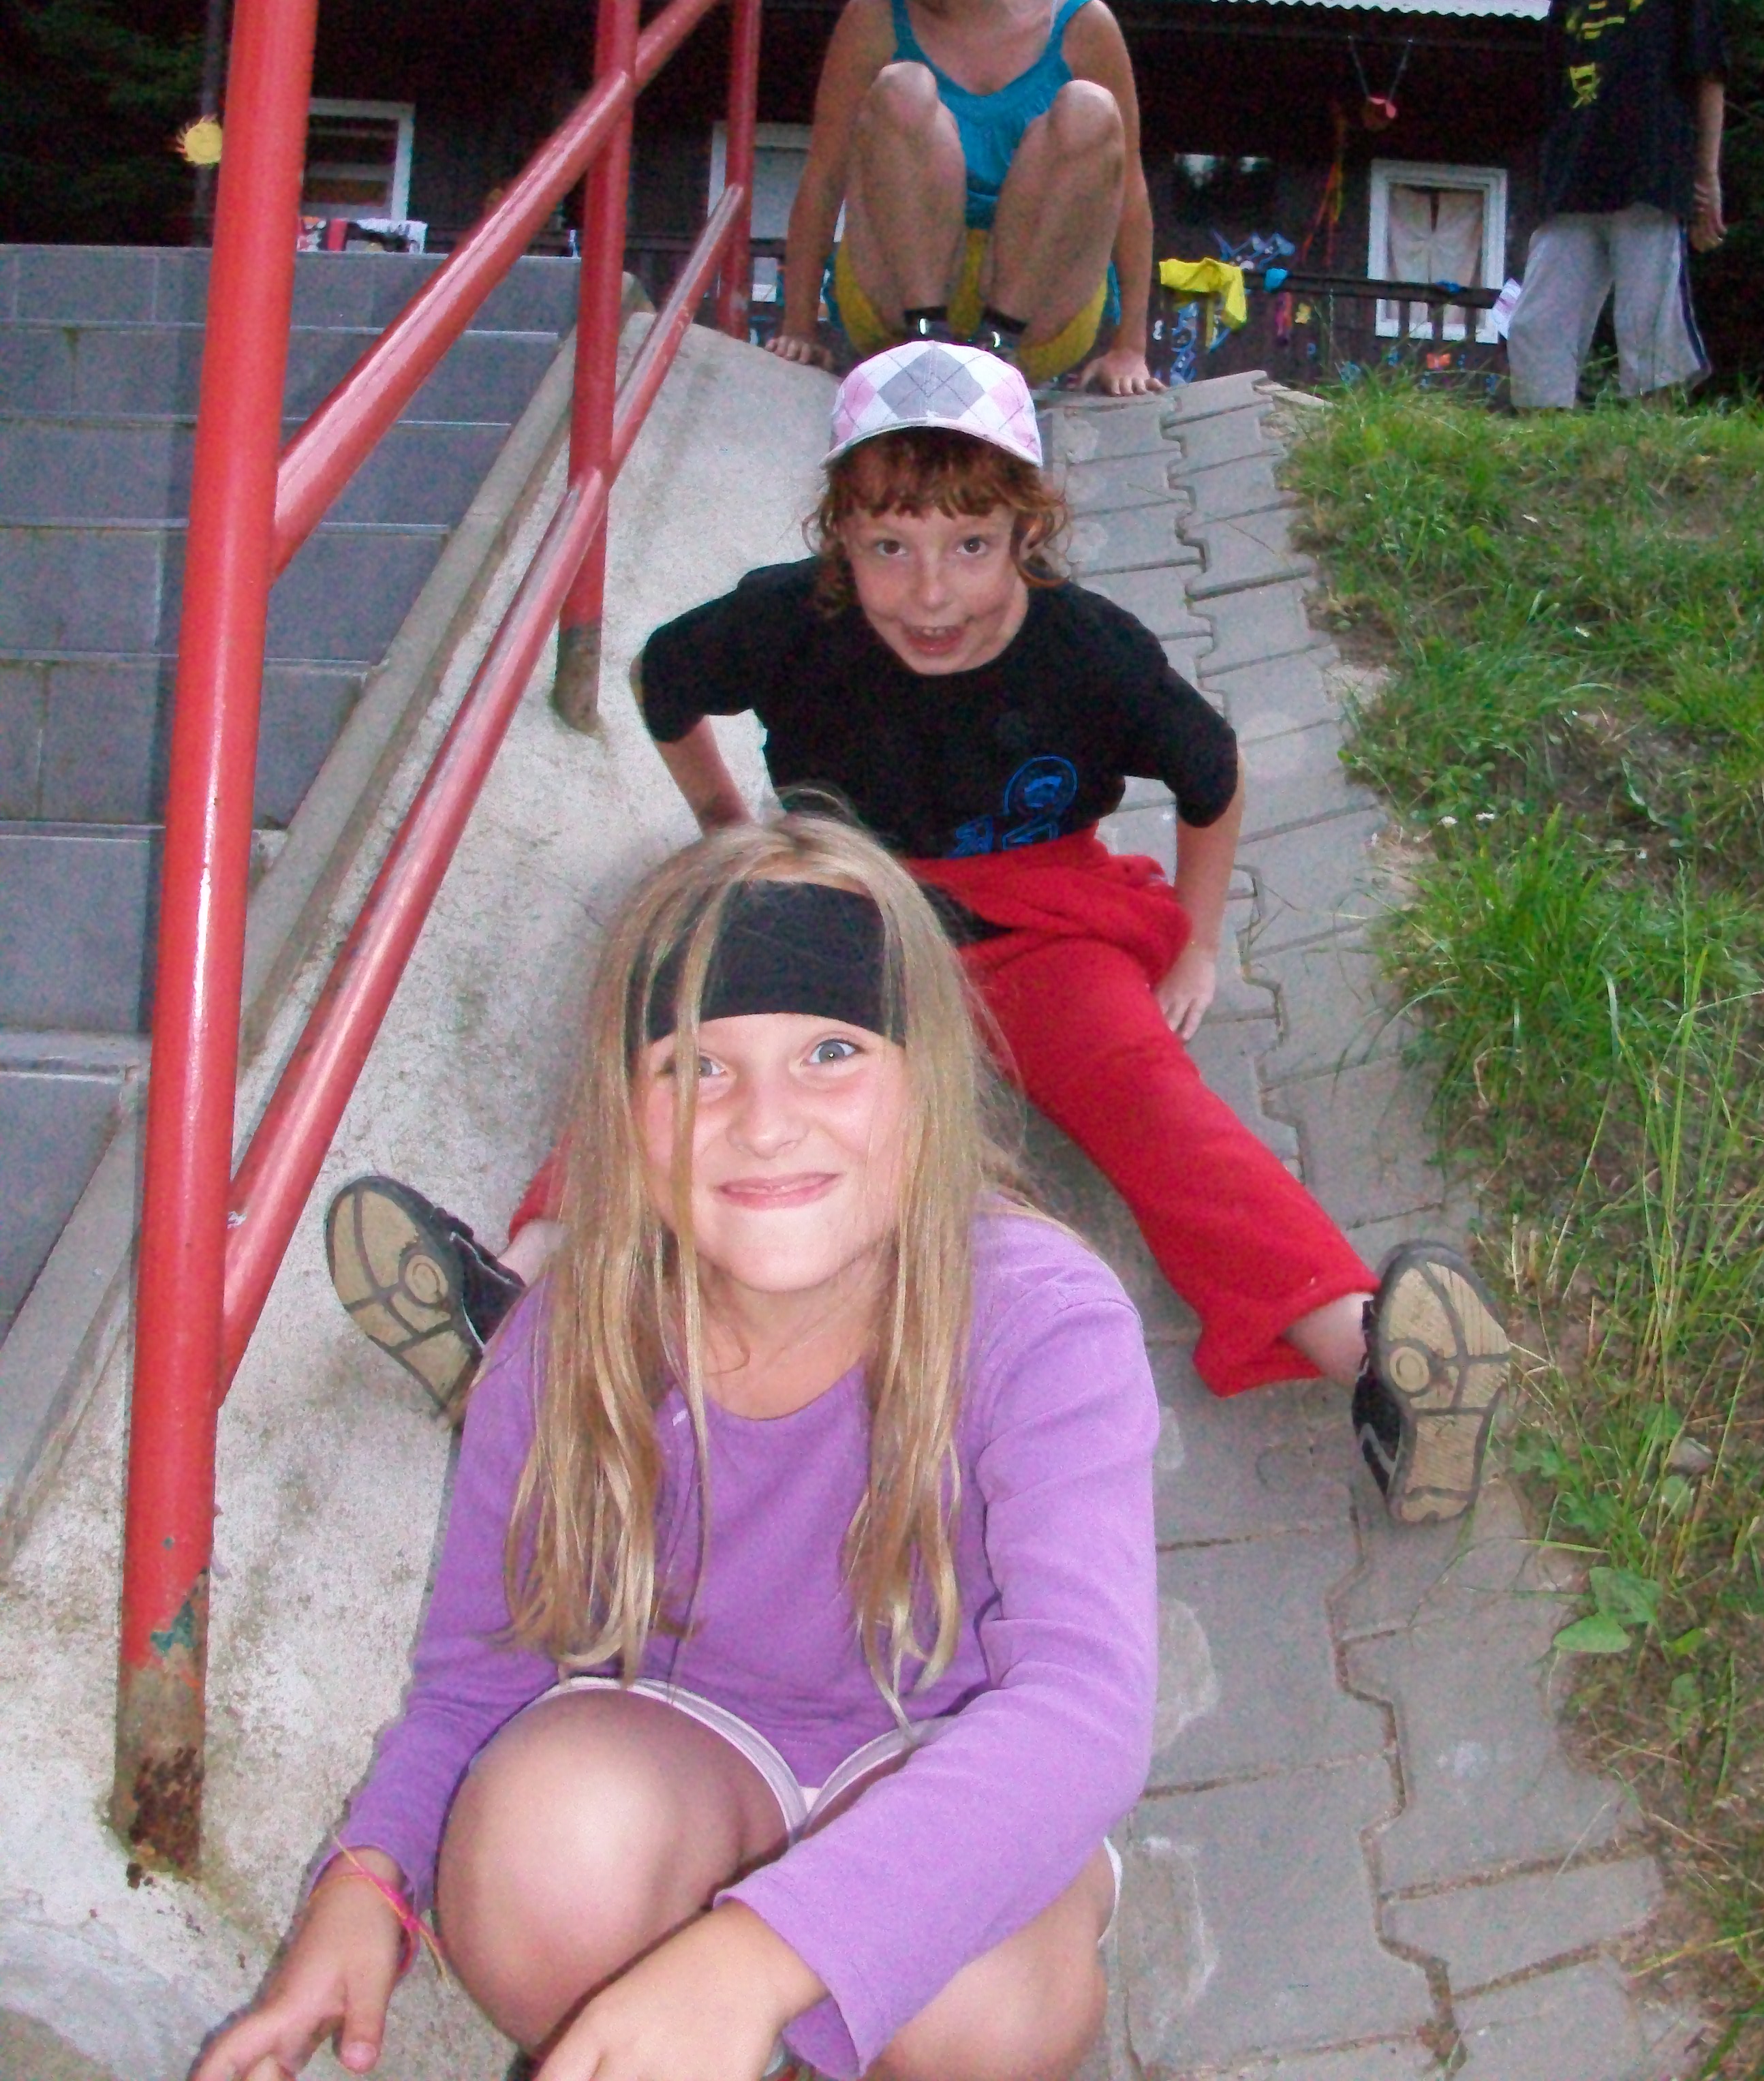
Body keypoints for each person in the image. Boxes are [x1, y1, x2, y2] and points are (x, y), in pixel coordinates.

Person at [330, 343, 1513, 1530]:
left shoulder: (1091, 648)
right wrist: (726, 827)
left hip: (1040, 924)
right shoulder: (789, 619)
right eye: (889, 547)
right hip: (843, 899)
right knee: (703, 1056)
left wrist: (1196, 946)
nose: (931, 592)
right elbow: (666, 679)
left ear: (1028, 530)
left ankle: (1372, 1359)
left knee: (1154, 1099)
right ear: (838, 535)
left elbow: (1211, 777)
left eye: (971, 544)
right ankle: (508, 1295)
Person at [209, 819, 1158, 2081]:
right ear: (626, 1114)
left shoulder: (1044, 1319)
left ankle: (765, 2006)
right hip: (694, 1753)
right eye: (696, 1067)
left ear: (929, 1083)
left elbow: (1085, 1710)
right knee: (539, 1859)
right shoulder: (567, 1339)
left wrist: (762, 1952)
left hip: (942, 1756)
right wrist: (368, 1875)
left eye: (830, 1052)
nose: (763, 1122)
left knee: (989, 2011)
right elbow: (474, 1675)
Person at [766, 0, 1161, 397]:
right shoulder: (874, 18)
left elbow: (1128, 188)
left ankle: (998, 345)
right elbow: (824, 177)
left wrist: (1130, 346)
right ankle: (926, 336)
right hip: (895, 298)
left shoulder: (1084, 25)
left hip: (1038, 311)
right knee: (902, 88)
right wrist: (799, 326)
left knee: (1090, 108)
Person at [1507, 0, 1729, 410]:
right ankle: (1543, 440)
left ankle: (1653, 441)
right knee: (1535, 323)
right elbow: (1555, 103)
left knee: (1648, 320)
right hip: (1574, 180)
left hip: (1649, 170)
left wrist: (1706, 176)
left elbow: (1707, 73)